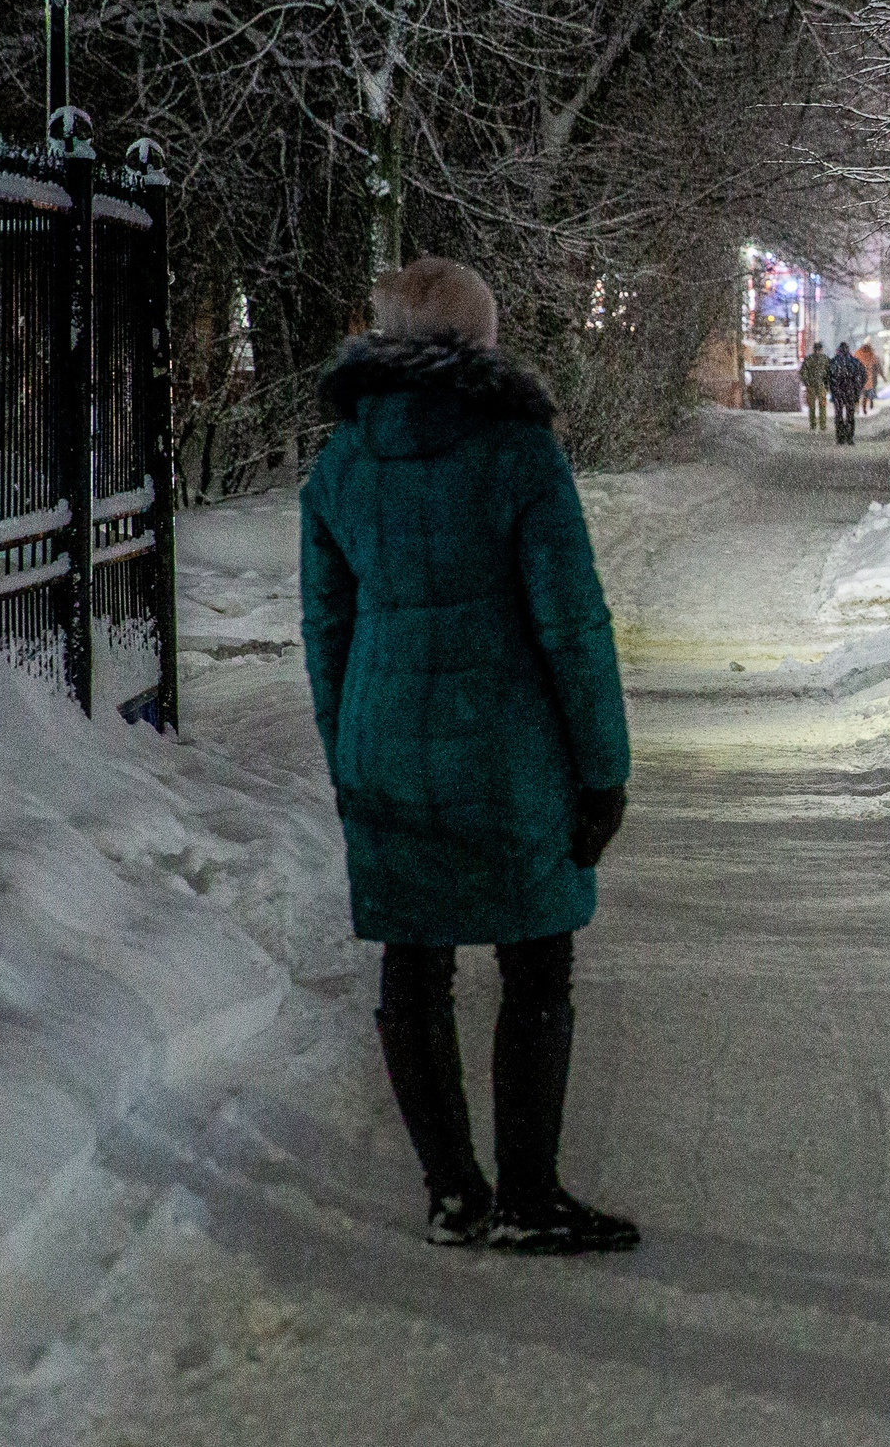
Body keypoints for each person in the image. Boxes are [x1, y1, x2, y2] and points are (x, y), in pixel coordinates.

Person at [301, 255, 639, 1255]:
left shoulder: (341, 464)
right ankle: (529, 1197)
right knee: (535, 959)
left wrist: (346, 755)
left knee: (415, 963)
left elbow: (328, 629)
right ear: (480, 344)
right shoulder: (518, 454)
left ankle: (454, 1194)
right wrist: (603, 768)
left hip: (386, 750)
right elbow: (572, 623)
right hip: (508, 751)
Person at [826, 341, 866, 444]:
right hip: (850, 392)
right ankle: (849, 437)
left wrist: (830, 388)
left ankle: (840, 438)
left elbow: (826, 377)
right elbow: (863, 376)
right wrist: (858, 389)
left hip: (837, 392)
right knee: (850, 415)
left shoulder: (833, 361)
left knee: (838, 415)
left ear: (838, 350)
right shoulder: (855, 362)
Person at [799, 341, 831, 432]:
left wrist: (807, 382)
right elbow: (829, 373)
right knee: (822, 406)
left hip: (811, 386)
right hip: (821, 386)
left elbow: (802, 372)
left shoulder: (808, 359)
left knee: (812, 406)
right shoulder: (825, 359)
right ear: (821, 349)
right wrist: (827, 384)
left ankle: (813, 425)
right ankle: (822, 425)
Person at [855, 340, 880, 413]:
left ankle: (858, 408)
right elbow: (875, 363)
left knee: (858, 394)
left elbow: (853, 362)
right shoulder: (871, 354)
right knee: (865, 394)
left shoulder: (858, 353)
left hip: (859, 377)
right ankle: (864, 408)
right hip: (867, 377)